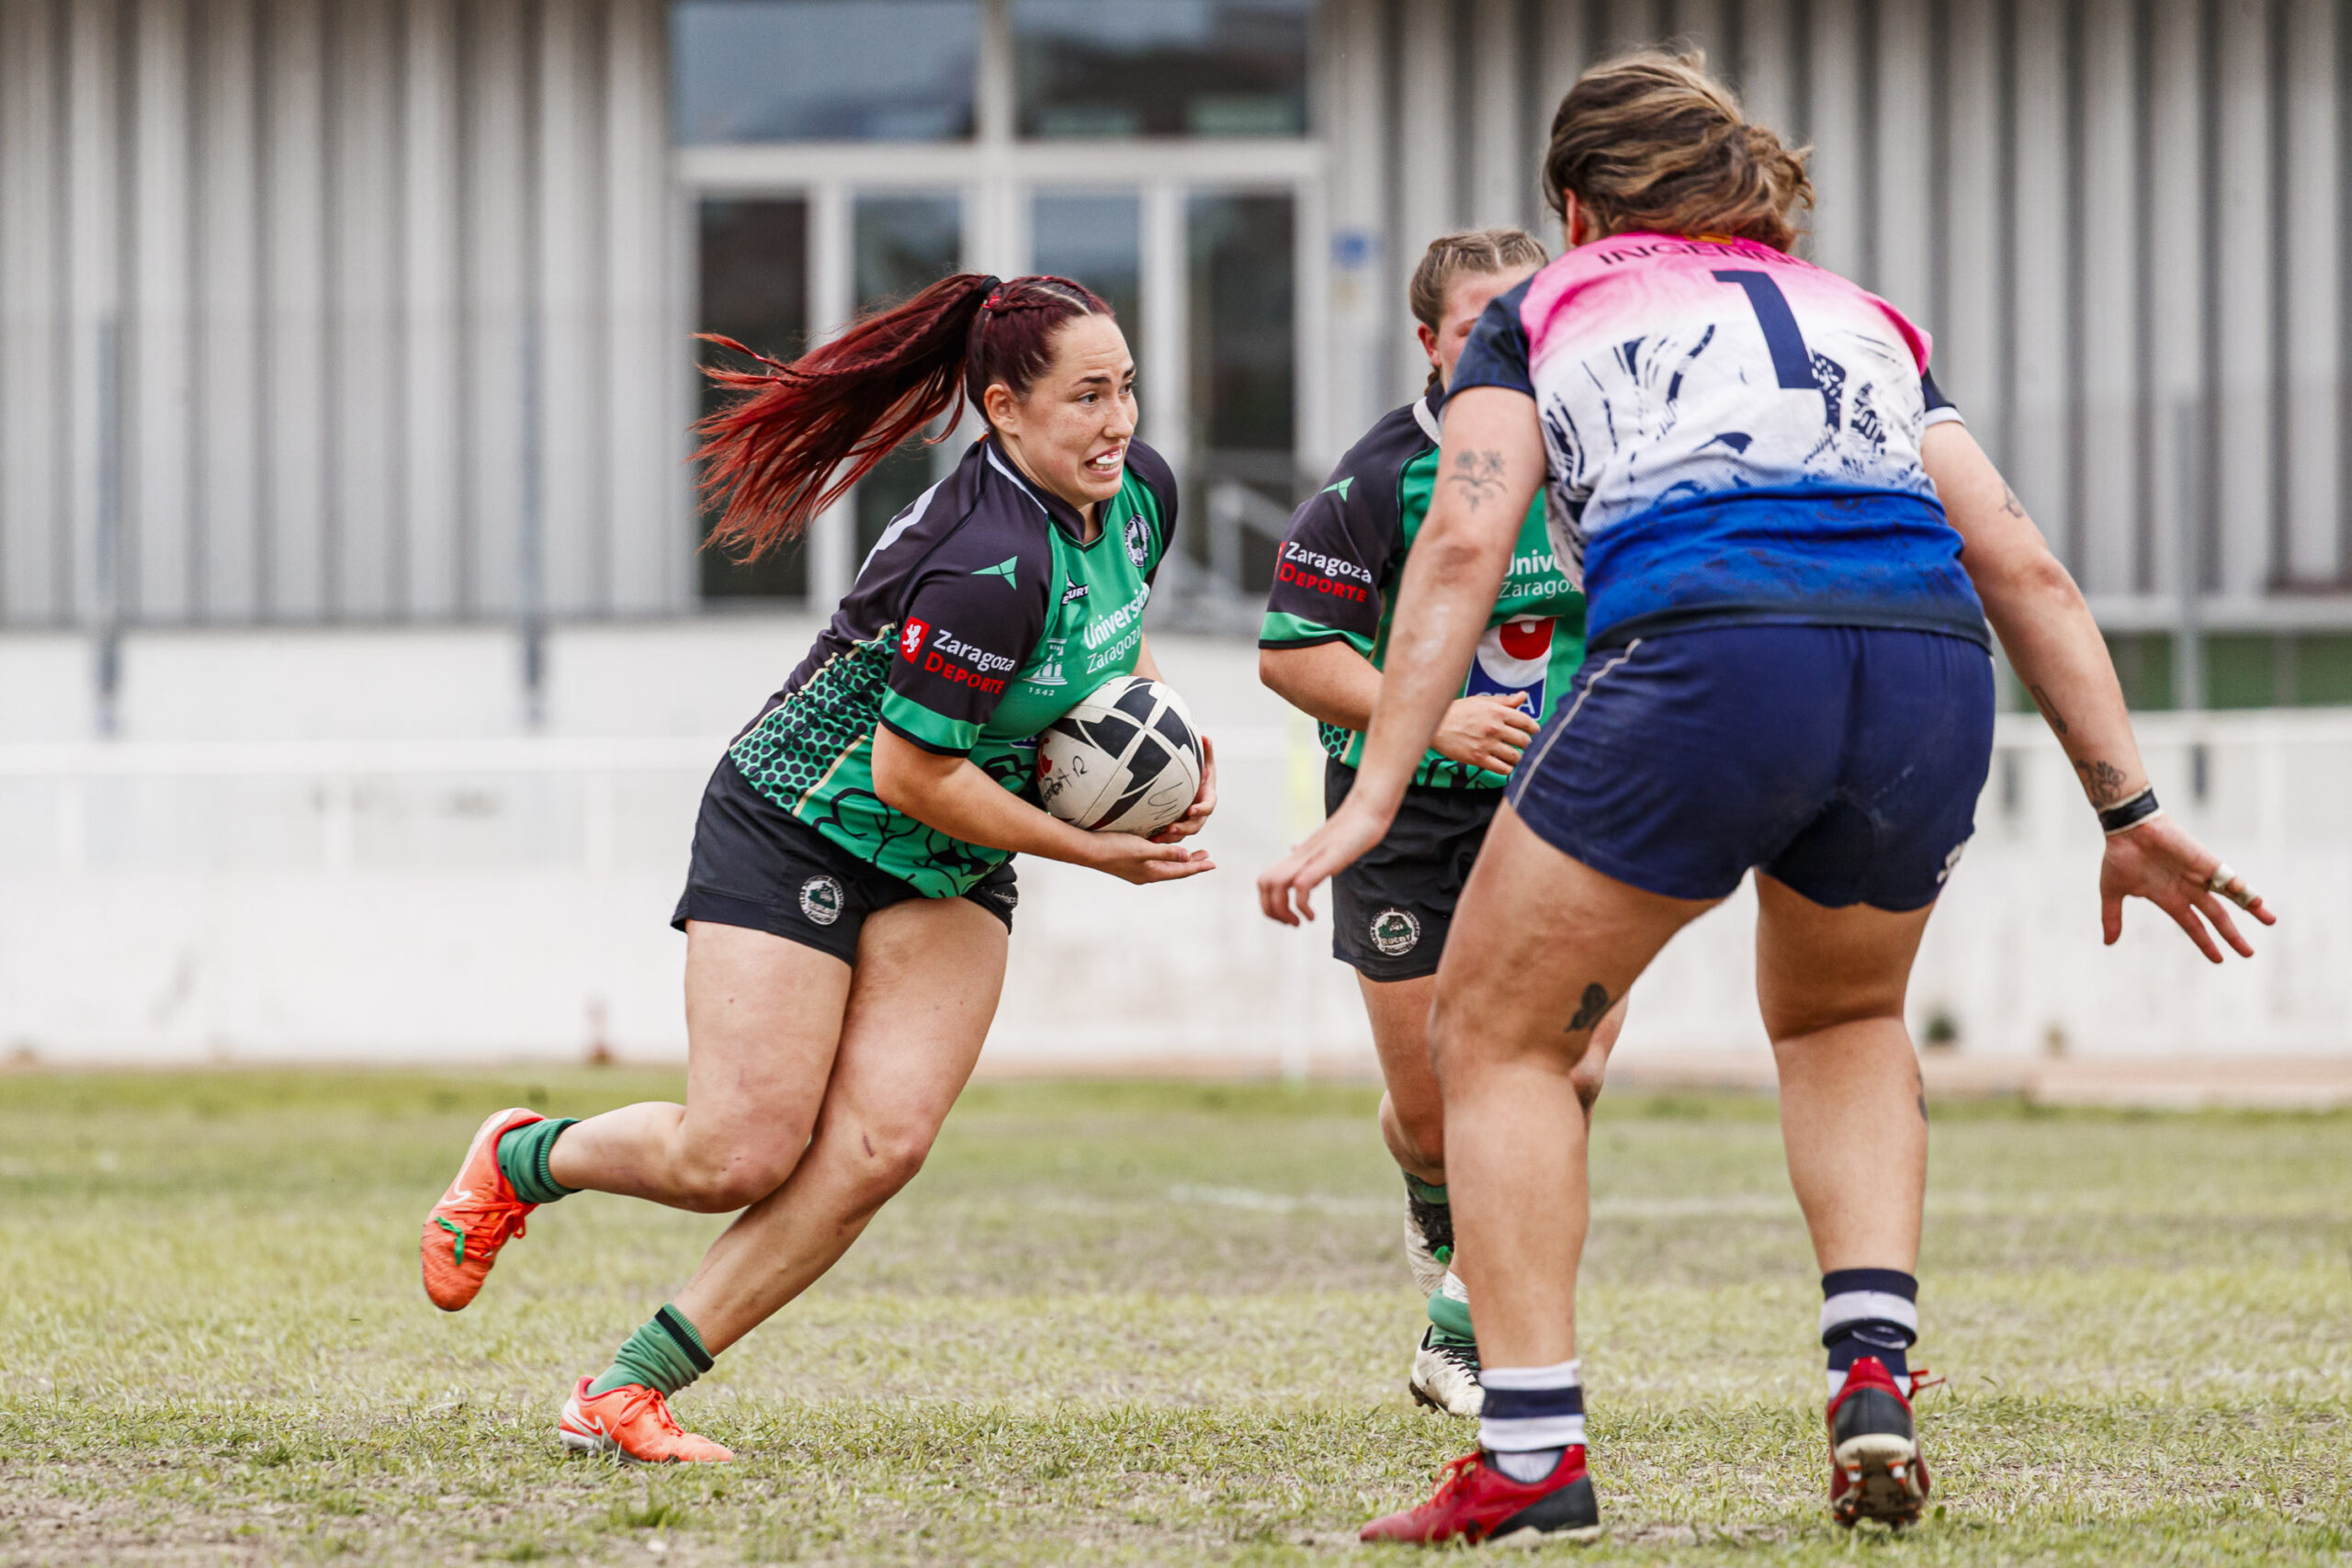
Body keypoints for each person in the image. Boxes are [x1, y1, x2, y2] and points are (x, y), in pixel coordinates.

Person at [1261, 52, 2273, 1545]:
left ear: (1577, 201)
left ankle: (1532, 1455)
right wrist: (2126, 807)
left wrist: (1373, 796)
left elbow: (1465, 545)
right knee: (1844, 1018)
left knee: (1496, 1032)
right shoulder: (1861, 317)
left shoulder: (1549, 305)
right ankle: (1872, 1372)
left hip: (1719, 648)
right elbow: (2022, 563)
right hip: (1929, 666)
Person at [419, 274, 1216, 1462]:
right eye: (1087, 396)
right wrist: (1094, 850)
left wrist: (1157, 749)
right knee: (734, 1154)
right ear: (1004, 409)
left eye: (1128, 389)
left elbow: (1111, 650)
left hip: (957, 843)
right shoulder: (983, 562)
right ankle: (522, 1157)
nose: (1119, 422)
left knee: (882, 1145)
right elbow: (911, 774)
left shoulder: (1139, 493)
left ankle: (626, 1392)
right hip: (805, 818)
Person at [1258, 228, 1624, 1419]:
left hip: (1567, 808)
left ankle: (1460, 1332)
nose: (1513, 345)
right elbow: (1292, 655)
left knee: (1563, 1066)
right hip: (1406, 815)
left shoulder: (1601, 459)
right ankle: (1433, 1200)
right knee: (1430, 1111)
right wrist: (1439, 718)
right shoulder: (1379, 481)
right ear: (1430, 343)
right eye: (1481, 326)